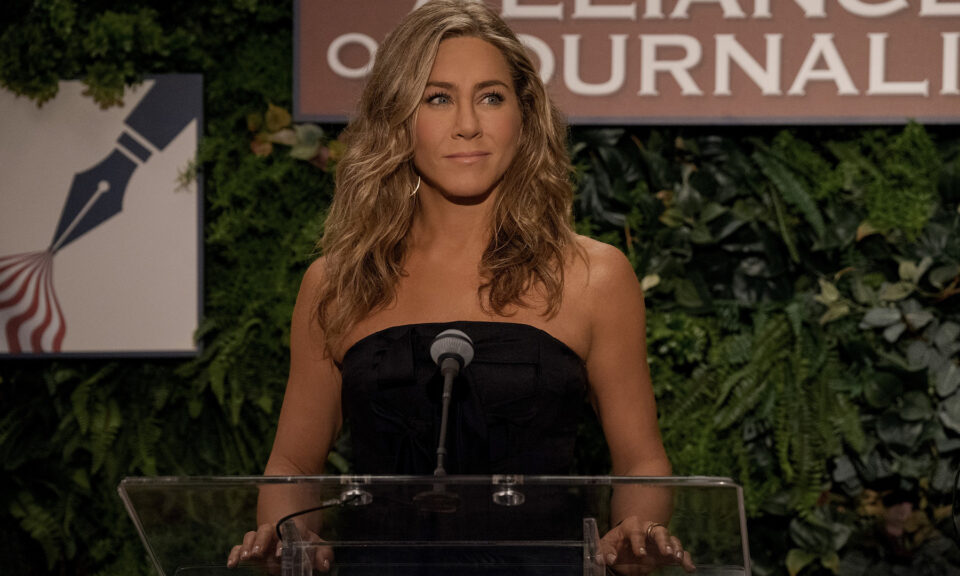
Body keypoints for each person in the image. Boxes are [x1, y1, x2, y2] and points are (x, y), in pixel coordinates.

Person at [227, 0, 695, 573]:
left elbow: (642, 462)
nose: (468, 123)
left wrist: (637, 533)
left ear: (524, 116)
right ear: (398, 119)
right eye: (438, 98)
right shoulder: (338, 282)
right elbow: (293, 465)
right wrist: (289, 540)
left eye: (491, 97)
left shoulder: (593, 276)